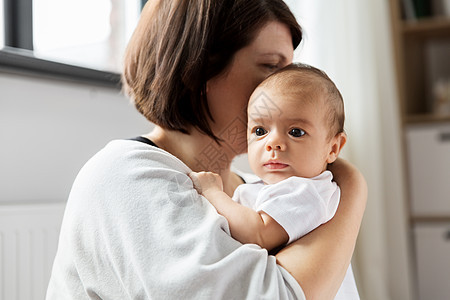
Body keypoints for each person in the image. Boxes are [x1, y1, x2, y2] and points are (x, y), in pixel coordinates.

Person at [46, 1, 367, 299]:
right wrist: (351, 187)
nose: (286, 90)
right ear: (198, 68)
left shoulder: (268, 193)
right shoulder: (123, 176)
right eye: (271, 67)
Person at [189, 63, 360, 299]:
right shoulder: (261, 188)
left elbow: (257, 234)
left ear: (333, 148)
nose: (273, 143)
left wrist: (213, 193)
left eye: (296, 132)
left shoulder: (309, 191)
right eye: (260, 131)